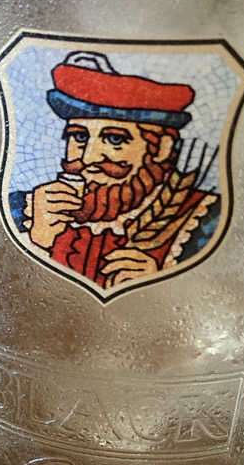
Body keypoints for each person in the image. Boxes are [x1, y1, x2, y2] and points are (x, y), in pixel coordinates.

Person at [26, 51, 220, 290]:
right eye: (78, 136)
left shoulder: (204, 217)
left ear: (161, 147)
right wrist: (38, 240)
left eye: (114, 139)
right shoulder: (27, 209)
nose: (89, 157)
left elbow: (221, 295)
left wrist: (157, 280)